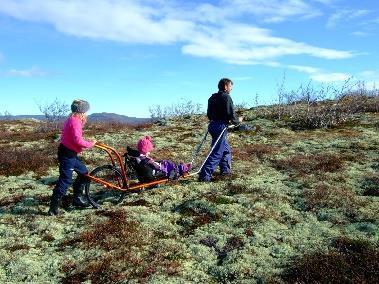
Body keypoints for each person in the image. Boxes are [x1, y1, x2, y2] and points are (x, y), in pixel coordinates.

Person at [48, 99, 96, 215]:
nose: (87, 113)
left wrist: (85, 143)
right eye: (86, 111)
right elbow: (77, 140)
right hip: (67, 155)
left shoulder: (72, 119)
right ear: (82, 111)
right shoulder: (75, 121)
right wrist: (90, 144)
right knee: (65, 180)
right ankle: (53, 208)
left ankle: (77, 199)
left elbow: (75, 138)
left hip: (70, 154)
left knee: (84, 173)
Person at [198, 78, 243, 182]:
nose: (231, 88)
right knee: (217, 152)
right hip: (220, 127)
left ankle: (225, 171)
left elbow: (209, 114)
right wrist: (238, 120)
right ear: (226, 86)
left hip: (212, 125)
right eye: (231, 86)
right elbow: (231, 115)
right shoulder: (226, 97)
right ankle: (204, 176)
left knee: (226, 150)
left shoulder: (212, 98)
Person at [128, 135, 192, 182]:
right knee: (170, 166)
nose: (149, 152)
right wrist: (160, 165)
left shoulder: (139, 157)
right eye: (148, 151)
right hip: (155, 172)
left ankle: (182, 167)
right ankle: (184, 168)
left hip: (146, 172)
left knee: (167, 163)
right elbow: (157, 167)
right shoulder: (146, 159)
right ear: (145, 150)